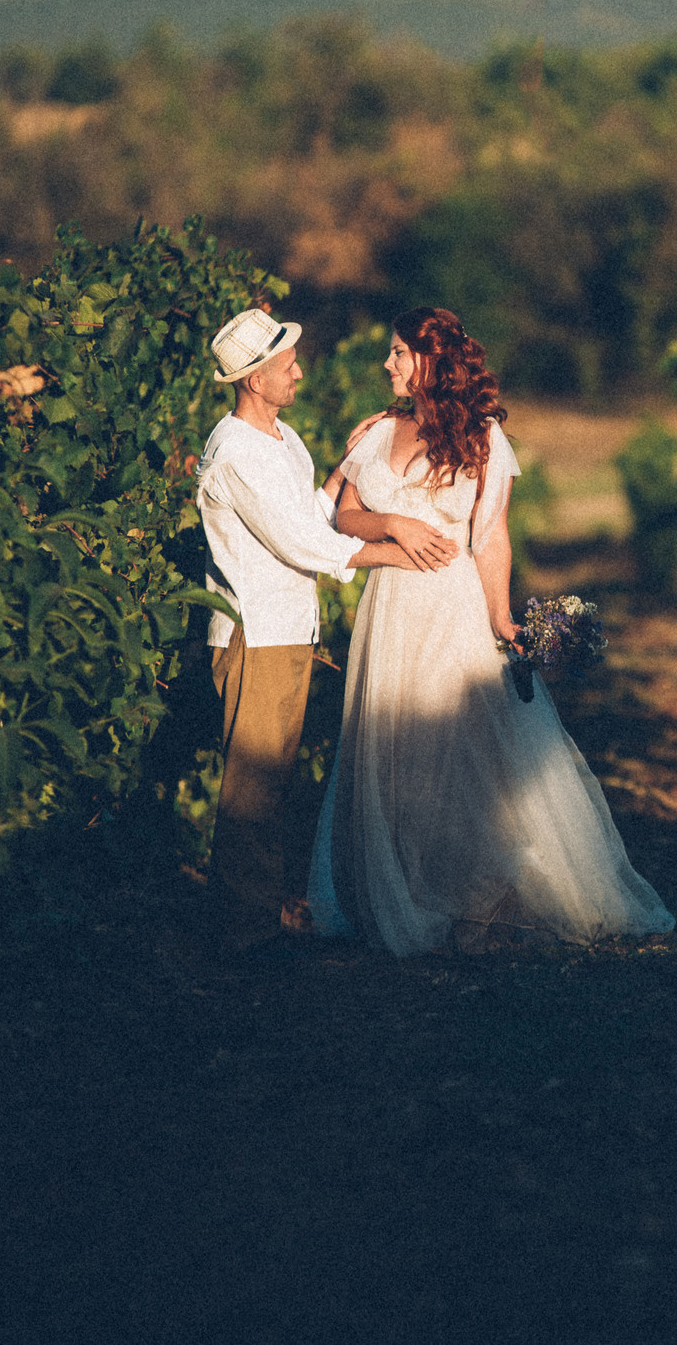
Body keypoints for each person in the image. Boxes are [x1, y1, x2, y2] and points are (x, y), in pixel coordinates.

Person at [307, 307, 673, 955]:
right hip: (391, 605)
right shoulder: (378, 432)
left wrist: (501, 614)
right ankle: (411, 892)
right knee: (394, 747)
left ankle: (479, 894)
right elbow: (344, 515)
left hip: (451, 607)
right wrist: (394, 525)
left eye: (398, 352)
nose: (387, 363)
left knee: (461, 749)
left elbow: (492, 536)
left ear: (431, 360)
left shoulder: (482, 438)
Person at [197, 306, 455, 953]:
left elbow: (313, 512)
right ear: (253, 379)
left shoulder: (282, 441)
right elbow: (301, 542)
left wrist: (350, 462)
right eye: (287, 367)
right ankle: (241, 932)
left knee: (274, 781)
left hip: (288, 628)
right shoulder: (235, 452)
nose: (300, 374)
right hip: (255, 632)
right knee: (251, 790)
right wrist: (397, 542)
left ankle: (255, 918)